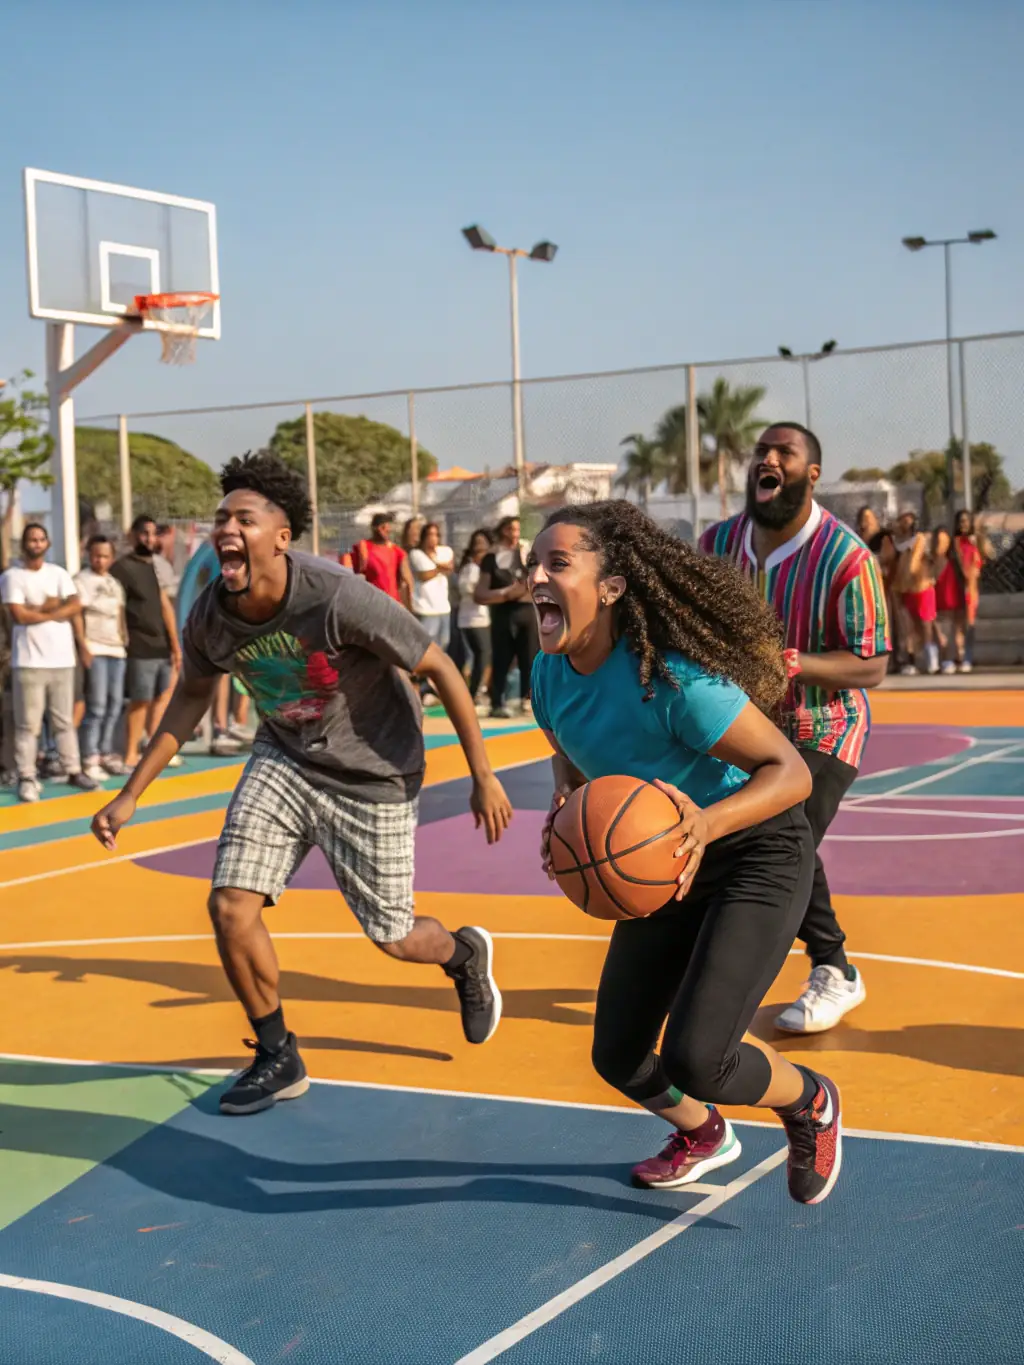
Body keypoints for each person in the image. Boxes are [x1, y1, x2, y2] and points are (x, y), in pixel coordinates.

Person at [90, 452, 512, 1117]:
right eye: (221, 516)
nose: (227, 526)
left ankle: (461, 954)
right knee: (230, 905)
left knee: (395, 935)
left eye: (244, 518)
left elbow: (439, 667)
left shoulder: (335, 594)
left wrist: (482, 774)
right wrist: (132, 790)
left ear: (281, 537)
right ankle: (277, 1050)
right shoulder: (210, 615)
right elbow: (190, 696)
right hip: (285, 758)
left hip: (374, 771)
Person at [529, 501, 841, 1205]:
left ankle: (811, 1100)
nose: (535, 576)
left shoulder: (673, 680)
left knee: (700, 1055)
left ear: (609, 587)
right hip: (666, 860)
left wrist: (705, 824)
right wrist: (566, 809)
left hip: (751, 850)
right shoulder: (548, 679)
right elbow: (569, 752)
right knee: (616, 1052)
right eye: (532, 563)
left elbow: (788, 773)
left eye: (557, 563)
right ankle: (704, 1133)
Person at [700, 423, 889, 1035]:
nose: (769, 458)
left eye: (786, 452)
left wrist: (792, 662)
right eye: (762, 451)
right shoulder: (718, 543)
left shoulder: (846, 557)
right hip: (743, 722)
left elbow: (872, 664)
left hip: (823, 722)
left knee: (781, 827)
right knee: (763, 835)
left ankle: (833, 968)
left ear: (811, 475)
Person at [0, 523, 98, 801]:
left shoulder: (58, 573)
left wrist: (39, 609)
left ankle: (73, 769)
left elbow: (76, 605)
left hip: (62, 660)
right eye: (32, 539)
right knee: (27, 724)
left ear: (48, 543)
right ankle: (27, 776)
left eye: (41, 539)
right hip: (28, 662)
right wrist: (54, 608)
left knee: (64, 721)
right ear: (24, 544)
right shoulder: (12, 577)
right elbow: (19, 616)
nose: (37, 543)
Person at [112, 515, 182, 769]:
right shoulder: (121, 569)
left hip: (162, 645)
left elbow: (165, 606)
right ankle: (130, 753)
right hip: (139, 647)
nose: (149, 539)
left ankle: (153, 750)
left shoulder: (155, 565)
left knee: (161, 698)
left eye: (153, 533)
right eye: (144, 533)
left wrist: (176, 646)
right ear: (131, 535)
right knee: (140, 700)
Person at [73, 534, 129, 780]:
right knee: (96, 706)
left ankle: (106, 751)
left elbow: (119, 613)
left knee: (115, 704)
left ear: (112, 558)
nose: (100, 560)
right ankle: (90, 755)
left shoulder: (114, 583)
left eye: (105, 556)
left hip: (116, 650)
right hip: (94, 648)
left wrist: (124, 637)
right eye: (96, 555)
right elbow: (77, 615)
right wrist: (83, 646)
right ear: (89, 555)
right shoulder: (81, 580)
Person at [475, 515, 538, 719]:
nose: (515, 534)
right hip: (503, 613)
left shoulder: (526, 553)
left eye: (518, 529)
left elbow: (537, 579)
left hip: (526, 612)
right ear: (503, 531)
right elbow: (480, 594)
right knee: (501, 658)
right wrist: (505, 594)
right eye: (511, 529)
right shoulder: (491, 557)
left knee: (530, 657)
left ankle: (529, 701)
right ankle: (497, 702)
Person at [935, 510, 984, 673]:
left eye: (966, 521)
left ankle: (966, 658)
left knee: (968, 625)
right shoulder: (952, 542)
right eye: (960, 521)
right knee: (953, 626)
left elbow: (986, 557)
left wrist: (979, 540)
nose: (963, 524)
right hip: (954, 586)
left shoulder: (975, 542)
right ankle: (953, 658)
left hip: (970, 588)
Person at [892, 507, 939, 676]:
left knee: (926, 625)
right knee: (908, 627)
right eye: (902, 519)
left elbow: (915, 561)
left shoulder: (919, 539)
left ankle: (932, 660)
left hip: (922, 586)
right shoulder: (897, 541)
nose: (905, 522)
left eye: (908, 519)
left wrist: (909, 572)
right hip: (904, 588)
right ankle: (910, 660)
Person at [458, 529, 494, 707]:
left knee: (483, 656)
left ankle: (478, 692)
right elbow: (470, 592)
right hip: (472, 620)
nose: (480, 548)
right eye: (477, 544)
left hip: (483, 619)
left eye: (484, 544)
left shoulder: (487, 568)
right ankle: (472, 694)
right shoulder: (470, 568)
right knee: (481, 655)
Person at [351, 512, 413, 609]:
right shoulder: (363, 547)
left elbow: (407, 579)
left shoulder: (397, 551)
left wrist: (409, 606)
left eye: (388, 526)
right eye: (383, 527)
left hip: (393, 604)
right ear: (374, 529)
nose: (387, 530)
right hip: (371, 603)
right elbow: (355, 574)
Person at [408, 521, 454, 650]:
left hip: (444, 608)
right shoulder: (416, 554)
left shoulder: (445, 551)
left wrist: (436, 564)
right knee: (428, 646)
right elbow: (424, 575)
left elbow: (450, 568)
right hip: (426, 608)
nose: (433, 538)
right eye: (429, 534)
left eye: (435, 535)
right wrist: (440, 567)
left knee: (444, 643)